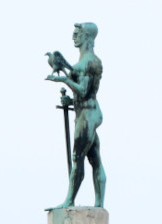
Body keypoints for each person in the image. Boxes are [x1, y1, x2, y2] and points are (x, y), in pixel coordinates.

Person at [45, 22, 107, 210]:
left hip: (87, 116)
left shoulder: (88, 61)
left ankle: (69, 201)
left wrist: (63, 79)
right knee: (94, 158)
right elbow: (84, 95)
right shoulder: (85, 61)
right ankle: (99, 205)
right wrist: (70, 103)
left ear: (87, 37)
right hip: (87, 112)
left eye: (77, 33)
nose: (74, 36)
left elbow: (83, 90)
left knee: (77, 156)